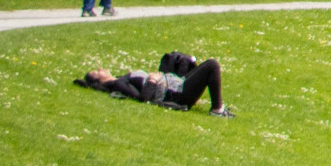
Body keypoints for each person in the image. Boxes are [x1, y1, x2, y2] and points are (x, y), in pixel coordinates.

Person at [76, 56, 232, 116]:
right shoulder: (119, 84)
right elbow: (142, 98)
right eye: (98, 72)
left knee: (188, 60)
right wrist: (152, 80)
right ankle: (217, 110)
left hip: (176, 84)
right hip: (177, 94)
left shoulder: (119, 78)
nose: (101, 69)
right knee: (212, 65)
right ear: (99, 81)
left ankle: (218, 107)